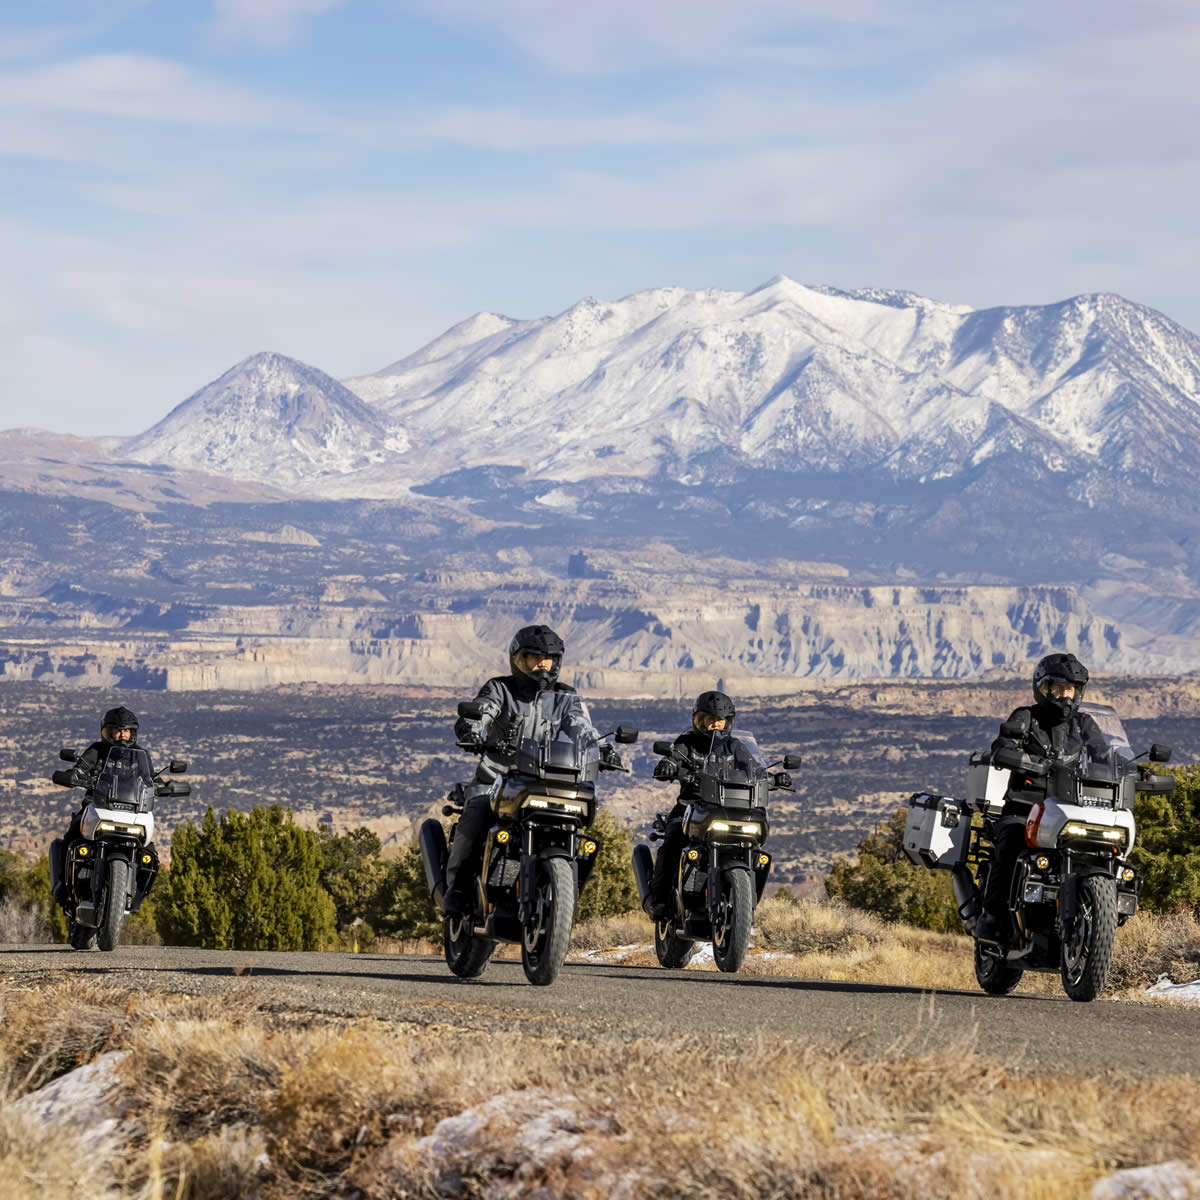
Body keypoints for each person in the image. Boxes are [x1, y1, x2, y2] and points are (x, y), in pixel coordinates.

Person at [443, 625, 616, 915]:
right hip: (497, 780)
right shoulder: (500, 689)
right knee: (475, 816)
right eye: (534, 657)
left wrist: (600, 748)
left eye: (548, 659)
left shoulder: (565, 697)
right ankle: (458, 890)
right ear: (517, 659)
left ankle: (562, 894)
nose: (542, 665)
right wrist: (472, 729)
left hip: (546, 780)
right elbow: (483, 709)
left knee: (578, 824)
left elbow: (580, 726)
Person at [974, 653, 1111, 943]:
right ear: (1043, 688)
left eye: (1071, 689)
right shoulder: (1026, 717)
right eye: (1059, 689)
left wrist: (1133, 770)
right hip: (1025, 808)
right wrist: (1017, 756)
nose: (1065, 696)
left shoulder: (1084, 724)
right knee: (1010, 840)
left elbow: (1106, 754)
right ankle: (992, 916)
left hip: (1070, 809)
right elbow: (1004, 744)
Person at [645, 690, 739, 921]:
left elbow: (752, 765)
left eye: (720, 720)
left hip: (726, 808)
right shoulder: (688, 742)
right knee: (674, 836)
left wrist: (774, 777)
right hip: (691, 807)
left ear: (727, 722)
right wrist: (668, 764)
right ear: (699, 720)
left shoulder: (735, 747)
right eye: (709, 720)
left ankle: (742, 902)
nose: (715, 725)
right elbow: (675, 756)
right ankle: (660, 899)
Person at [49, 705, 143, 905]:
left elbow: (151, 778)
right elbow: (80, 769)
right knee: (72, 834)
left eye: (126, 731)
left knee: (148, 851)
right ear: (108, 732)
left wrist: (165, 786)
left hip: (132, 810)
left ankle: (138, 893)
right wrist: (74, 776)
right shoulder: (96, 750)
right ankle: (62, 885)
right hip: (97, 806)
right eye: (117, 730)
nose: (122, 735)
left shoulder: (139, 755)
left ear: (133, 733)